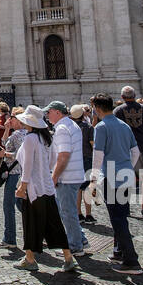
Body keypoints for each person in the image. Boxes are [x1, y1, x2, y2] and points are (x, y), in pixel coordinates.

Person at [14, 105, 77, 273]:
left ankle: (29, 259)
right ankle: (68, 257)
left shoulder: (30, 139)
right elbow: (51, 162)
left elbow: (27, 165)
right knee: (54, 223)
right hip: (47, 187)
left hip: (33, 189)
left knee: (30, 223)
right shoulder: (46, 138)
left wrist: (23, 186)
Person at [90, 93, 142, 274]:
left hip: (111, 178)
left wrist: (93, 180)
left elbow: (98, 156)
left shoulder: (101, 127)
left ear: (96, 108)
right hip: (126, 175)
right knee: (122, 214)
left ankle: (131, 261)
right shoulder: (124, 125)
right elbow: (135, 152)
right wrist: (126, 167)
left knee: (118, 219)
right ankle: (118, 252)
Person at [44, 101, 87, 256]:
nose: (47, 116)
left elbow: (63, 156)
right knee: (69, 211)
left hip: (67, 177)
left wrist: (54, 177)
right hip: (75, 174)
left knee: (67, 212)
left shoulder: (61, 128)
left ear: (57, 112)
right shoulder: (72, 124)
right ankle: (80, 239)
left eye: (48, 112)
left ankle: (75, 246)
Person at [114, 86, 143, 219]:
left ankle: (125, 207)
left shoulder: (118, 111)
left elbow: (116, 132)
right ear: (135, 95)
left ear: (122, 97)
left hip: (126, 150)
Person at [0, 110, 27, 250]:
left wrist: (4, 154)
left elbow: (18, 154)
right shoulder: (22, 133)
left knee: (9, 205)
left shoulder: (19, 134)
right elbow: (4, 142)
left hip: (14, 173)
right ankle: (40, 232)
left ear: (19, 120)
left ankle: (10, 238)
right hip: (21, 173)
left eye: (12, 118)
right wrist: (7, 128)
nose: (9, 120)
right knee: (22, 205)